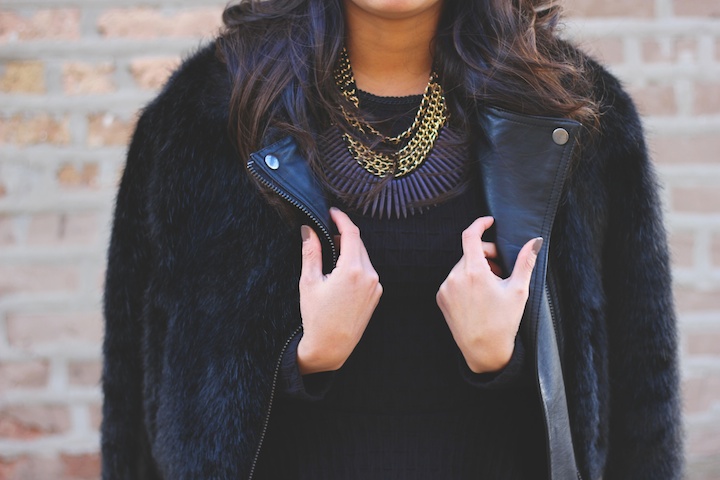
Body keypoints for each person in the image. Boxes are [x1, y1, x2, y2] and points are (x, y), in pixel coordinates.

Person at [101, 0, 682, 479]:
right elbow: (136, 404)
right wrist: (307, 360)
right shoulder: (202, 117)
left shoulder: (574, 115)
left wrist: (500, 358)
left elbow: (642, 397)